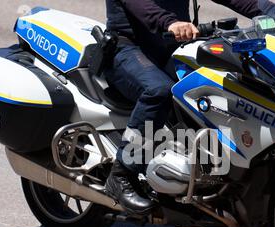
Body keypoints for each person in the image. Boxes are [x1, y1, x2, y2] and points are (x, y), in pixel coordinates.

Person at [105, 0, 261, 215]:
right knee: (159, 90)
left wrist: (273, 11)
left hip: (170, 46)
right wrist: (171, 23)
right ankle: (122, 174)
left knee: (218, 84)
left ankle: (209, 173)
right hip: (128, 48)